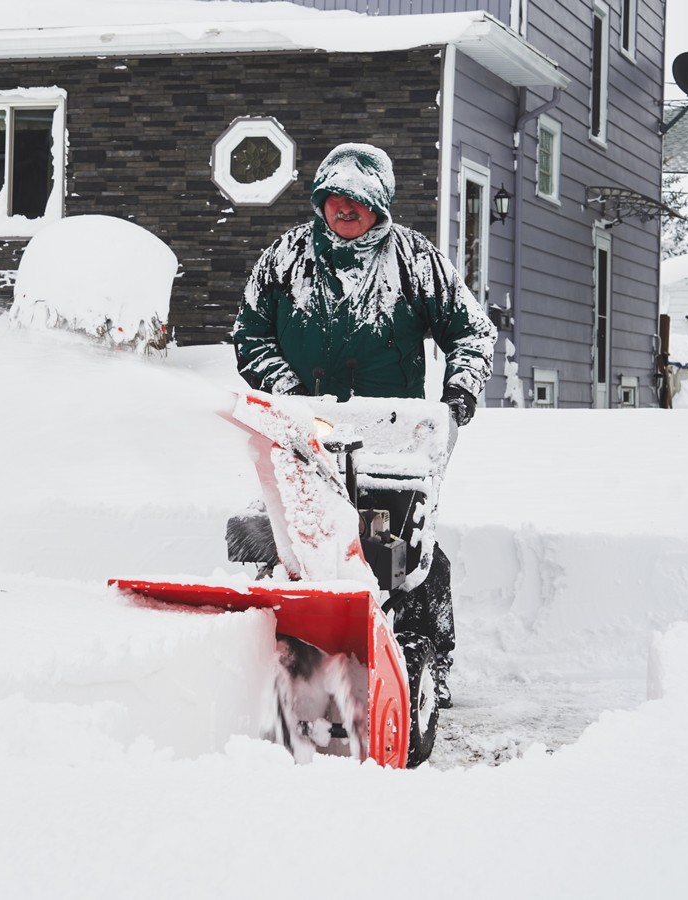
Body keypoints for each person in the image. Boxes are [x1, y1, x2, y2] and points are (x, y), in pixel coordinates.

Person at [232, 142, 497, 739]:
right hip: (303, 434)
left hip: (393, 441)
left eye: (359, 200)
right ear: (320, 200)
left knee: (405, 555)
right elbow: (249, 333)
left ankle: (428, 659)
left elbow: (473, 331)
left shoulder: (415, 260)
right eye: (335, 198)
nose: (345, 209)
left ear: (380, 205)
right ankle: (263, 650)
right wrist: (291, 390)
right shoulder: (285, 259)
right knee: (271, 535)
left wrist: (458, 393)